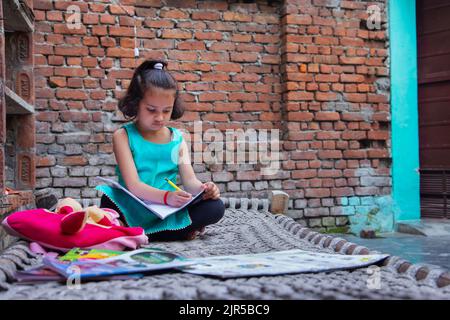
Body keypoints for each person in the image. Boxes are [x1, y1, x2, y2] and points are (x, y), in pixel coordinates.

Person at [98, 59, 225, 241]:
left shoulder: (177, 139)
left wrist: (205, 189)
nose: (159, 118)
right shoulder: (123, 136)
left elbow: (189, 181)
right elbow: (133, 185)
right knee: (108, 201)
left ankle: (139, 232)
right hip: (134, 205)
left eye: (166, 111)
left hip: (167, 211)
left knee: (215, 207)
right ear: (136, 104)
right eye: (151, 110)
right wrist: (166, 197)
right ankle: (174, 232)